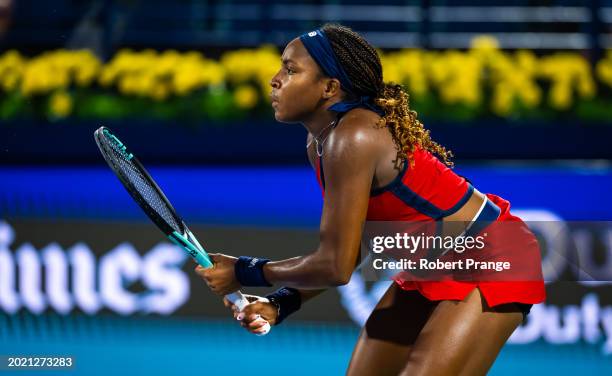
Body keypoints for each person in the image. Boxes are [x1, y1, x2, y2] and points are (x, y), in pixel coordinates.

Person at [196, 24, 545, 375]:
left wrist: (244, 270)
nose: (275, 79)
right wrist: (283, 301)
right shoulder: (320, 143)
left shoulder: (353, 137)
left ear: (329, 88)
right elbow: (356, 246)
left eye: (290, 69)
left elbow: (336, 266)